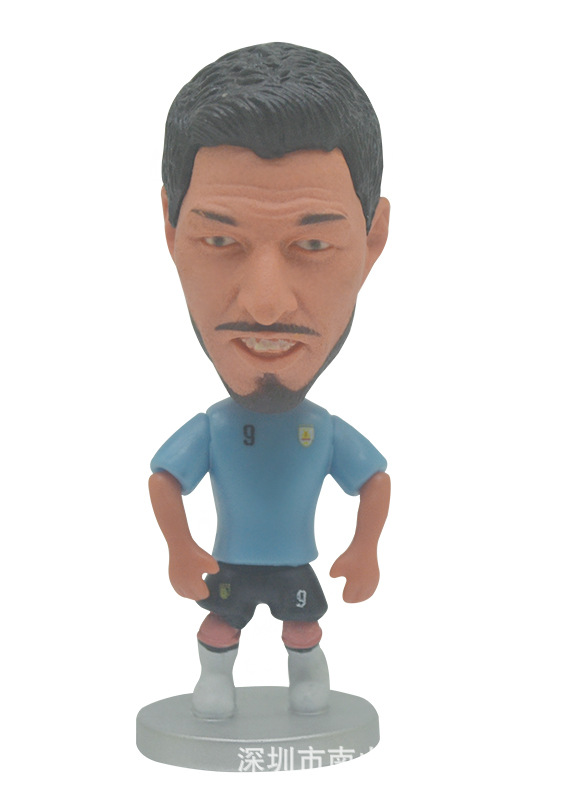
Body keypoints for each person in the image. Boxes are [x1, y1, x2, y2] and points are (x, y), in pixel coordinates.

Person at [149, 42, 392, 720]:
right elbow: (164, 479)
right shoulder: (213, 429)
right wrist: (179, 548)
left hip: (293, 562)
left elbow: (374, 480)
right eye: (219, 241)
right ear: (170, 229)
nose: (264, 305)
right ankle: (216, 681)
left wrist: (366, 548)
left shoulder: (325, 431)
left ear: (373, 239)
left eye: (312, 244)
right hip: (228, 561)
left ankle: (308, 677)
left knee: (303, 627)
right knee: (219, 625)